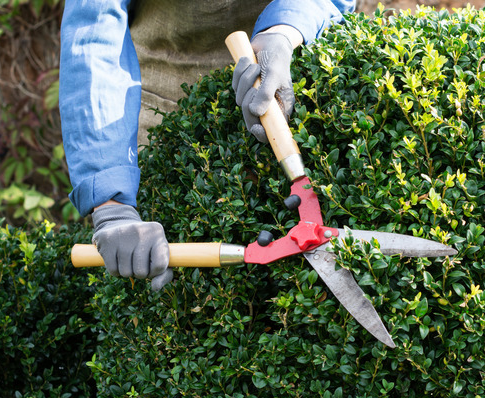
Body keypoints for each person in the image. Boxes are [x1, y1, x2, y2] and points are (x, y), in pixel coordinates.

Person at [59, 0, 355, 291]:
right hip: (155, 113)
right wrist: (112, 205)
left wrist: (283, 31)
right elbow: (93, 29)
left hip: (280, 84)